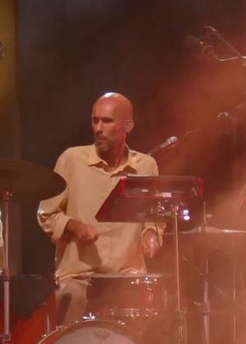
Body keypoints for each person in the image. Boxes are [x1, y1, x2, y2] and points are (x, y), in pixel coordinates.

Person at [37, 92, 162, 325]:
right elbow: (47, 214)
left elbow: (155, 217)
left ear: (128, 126)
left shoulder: (146, 165)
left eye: (107, 121)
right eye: (95, 120)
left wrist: (152, 234)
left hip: (127, 276)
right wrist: (73, 226)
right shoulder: (72, 160)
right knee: (71, 298)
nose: (98, 128)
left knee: (152, 307)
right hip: (79, 276)